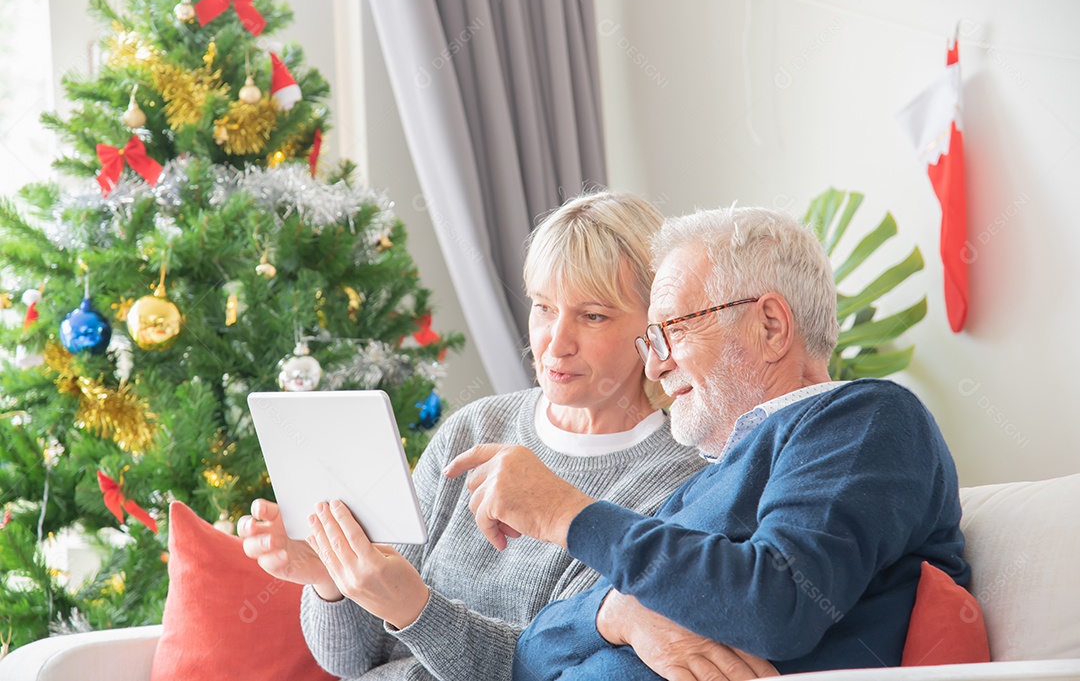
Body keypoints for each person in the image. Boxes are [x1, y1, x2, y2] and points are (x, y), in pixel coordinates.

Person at [447, 206, 970, 678]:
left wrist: (568, 514)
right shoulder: (704, 484)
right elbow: (531, 655)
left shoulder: (863, 419)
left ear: (770, 326)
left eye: (672, 330)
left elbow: (777, 606)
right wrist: (615, 614)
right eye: (650, 340)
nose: (654, 364)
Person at [238, 190, 711, 681]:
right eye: (544, 307)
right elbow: (353, 659)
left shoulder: (677, 484)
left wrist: (416, 609)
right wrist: (330, 578)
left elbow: (551, 667)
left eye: (593, 316)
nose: (556, 341)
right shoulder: (473, 429)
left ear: (656, 327)